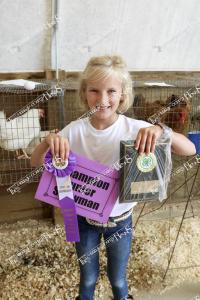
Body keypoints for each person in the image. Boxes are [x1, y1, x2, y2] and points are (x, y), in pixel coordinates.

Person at [31, 55, 196, 300]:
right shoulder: (74, 131)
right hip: (83, 220)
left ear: (122, 94)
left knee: (118, 278)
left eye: (111, 91)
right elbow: (36, 163)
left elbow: (190, 150)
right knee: (87, 277)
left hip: (120, 221)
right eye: (94, 90)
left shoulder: (136, 128)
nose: (103, 99)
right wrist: (48, 141)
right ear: (84, 93)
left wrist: (162, 130)